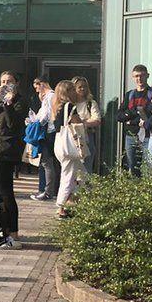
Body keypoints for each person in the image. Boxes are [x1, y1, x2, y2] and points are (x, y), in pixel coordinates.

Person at [0, 72, 29, 250]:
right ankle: (5, 230)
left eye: (9, 81)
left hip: (6, 152)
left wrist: (8, 103)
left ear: (16, 83)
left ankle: (14, 234)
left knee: (7, 194)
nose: (6, 84)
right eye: (3, 82)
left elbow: (12, 124)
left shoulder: (20, 102)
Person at [52, 81, 85, 220]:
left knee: (80, 176)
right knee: (69, 177)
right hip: (69, 146)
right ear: (67, 92)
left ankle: (70, 203)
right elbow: (77, 123)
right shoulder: (69, 106)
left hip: (60, 144)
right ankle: (61, 207)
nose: (75, 92)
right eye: (72, 89)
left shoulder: (56, 106)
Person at [117, 65, 152, 176]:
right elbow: (119, 116)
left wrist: (130, 120)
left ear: (147, 76)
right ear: (133, 77)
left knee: (148, 167)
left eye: (142, 75)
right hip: (131, 135)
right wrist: (134, 112)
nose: (139, 79)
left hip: (147, 135)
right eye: (136, 76)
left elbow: (150, 113)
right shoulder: (130, 94)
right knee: (132, 167)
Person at [31, 76, 60, 202]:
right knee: (47, 162)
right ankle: (48, 190)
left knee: (47, 162)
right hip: (50, 131)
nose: (37, 91)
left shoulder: (49, 96)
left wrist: (35, 121)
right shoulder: (50, 96)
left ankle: (48, 191)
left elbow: (46, 115)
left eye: (37, 87)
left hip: (49, 131)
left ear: (41, 84)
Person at [72, 77, 101, 174]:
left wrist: (83, 123)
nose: (82, 89)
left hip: (87, 137)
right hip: (72, 138)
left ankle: (86, 188)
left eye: (84, 87)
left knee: (86, 167)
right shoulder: (70, 104)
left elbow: (97, 120)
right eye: (79, 87)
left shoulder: (90, 103)